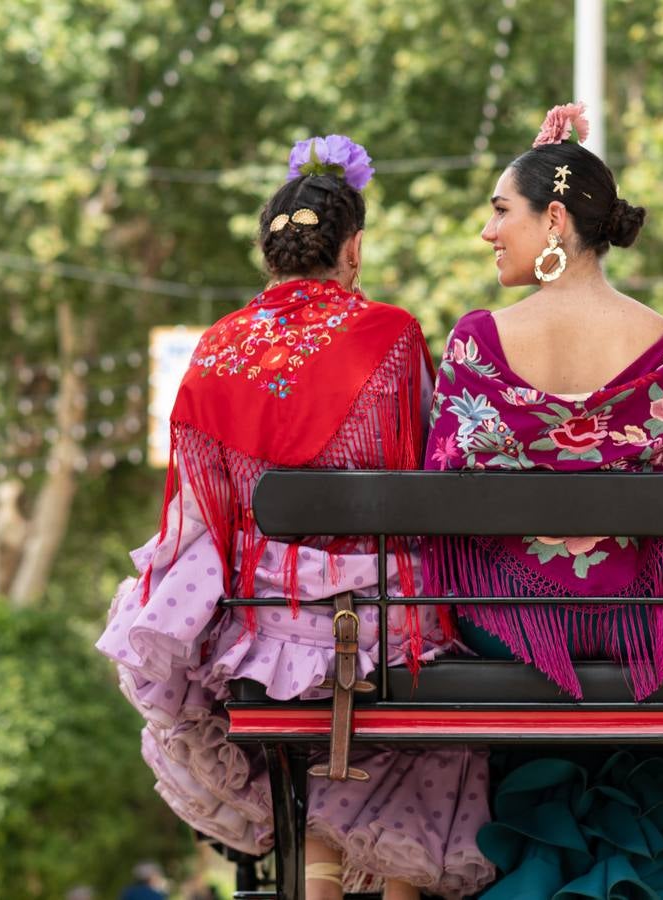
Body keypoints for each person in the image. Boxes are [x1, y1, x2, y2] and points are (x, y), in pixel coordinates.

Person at [96, 134, 492, 900]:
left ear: (267, 256)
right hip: (383, 620)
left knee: (300, 730)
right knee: (418, 696)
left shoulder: (215, 348)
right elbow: (424, 465)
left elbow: (195, 514)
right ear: (353, 249)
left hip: (260, 629)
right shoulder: (391, 334)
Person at [421, 103, 663, 897]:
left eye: (499, 211)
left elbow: (444, 484)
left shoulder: (475, 343)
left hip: (510, 633)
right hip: (635, 632)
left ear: (553, 219)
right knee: (633, 659)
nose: (487, 233)